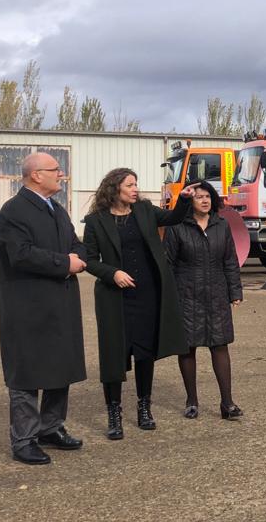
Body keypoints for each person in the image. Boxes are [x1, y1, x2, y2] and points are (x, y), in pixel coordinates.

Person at [82, 169, 198, 439]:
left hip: (148, 294)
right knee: (114, 355)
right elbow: (89, 259)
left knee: (145, 353)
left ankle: (144, 407)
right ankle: (114, 413)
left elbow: (173, 218)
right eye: (130, 185)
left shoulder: (145, 210)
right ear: (114, 188)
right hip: (114, 298)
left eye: (136, 184)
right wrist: (113, 274)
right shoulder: (96, 221)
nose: (135, 189)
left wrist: (183, 199)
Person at [0, 152, 87, 465]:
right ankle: (24, 440)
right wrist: (65, 263)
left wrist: (78, 256)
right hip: (27, 307)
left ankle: (51, 428)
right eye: (55, 170)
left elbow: (76, 244)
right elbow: (19, 254)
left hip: (60, 304)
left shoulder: (57, 210)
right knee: (26, 373)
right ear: (36, 174)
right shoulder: (14, 211)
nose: (61, 174)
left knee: (59, 368)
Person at [164, 183, 244, 420]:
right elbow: (167, 263)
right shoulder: (177, 226)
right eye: (199, 197)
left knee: (220, 345)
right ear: (190, 201)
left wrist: (235, 291)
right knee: (187, 347)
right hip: (186, 294)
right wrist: (169, 297)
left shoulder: (222, 225)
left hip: (217, 293)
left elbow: (230, 260)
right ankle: (192, 401)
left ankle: (227, 404)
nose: (204, 200)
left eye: (207, 196)